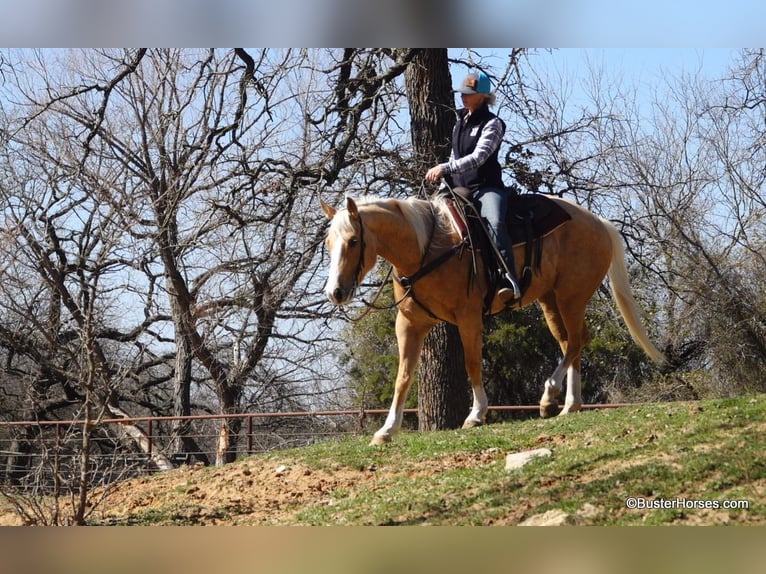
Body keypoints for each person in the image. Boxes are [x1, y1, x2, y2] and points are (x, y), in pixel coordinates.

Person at [425, 70, 521, 301]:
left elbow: (479, 157)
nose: (463, 97)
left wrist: (445, 169)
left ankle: (507, 278)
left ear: (483, 96)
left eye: (469, 94)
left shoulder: (493, 124)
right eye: (462, 93)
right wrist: (444, 181)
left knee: (495, 222)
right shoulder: (460, 122)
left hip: (487, 188)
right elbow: (453, 156)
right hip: (460, 188)